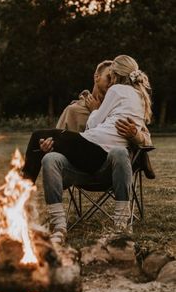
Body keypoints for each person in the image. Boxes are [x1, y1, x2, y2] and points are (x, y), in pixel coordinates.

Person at [22, 55, 153, 243]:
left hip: (106, 162)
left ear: (117, 76)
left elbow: (98, 125)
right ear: (96, 78)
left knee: (36, 136)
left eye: (112, 77)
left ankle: (20, 195)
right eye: (107, 78)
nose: (110, 82)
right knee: (48, 157)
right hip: (80, 166)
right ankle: (58, 225)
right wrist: (48, 148)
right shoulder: (138, 96)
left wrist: (97, 113)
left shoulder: (116, 92)